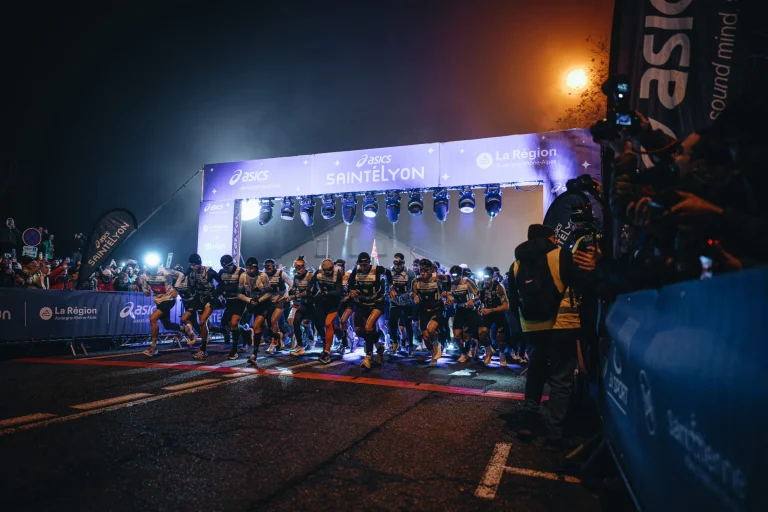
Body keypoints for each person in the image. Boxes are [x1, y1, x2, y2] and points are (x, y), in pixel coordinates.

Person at [509, 224, 598, 450]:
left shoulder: (517, 263)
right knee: (560, 380)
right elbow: (585, 286)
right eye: (554, 237)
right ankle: (554, 434)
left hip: (532, 328)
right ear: (550, 238)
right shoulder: (561, 255)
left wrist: (520, 332)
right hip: (562, 326)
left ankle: (528, 424)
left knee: (535, 375)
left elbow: (513, 301)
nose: (557, 240)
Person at [348, 252, 391, 369]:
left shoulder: (377, 269)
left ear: (369, 263)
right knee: (358, 331)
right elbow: (350, 283)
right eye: (361, 265)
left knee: (368, 327)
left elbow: (388, 273)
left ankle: (368, 357)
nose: (363, 267)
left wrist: (391, 288)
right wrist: (351, 290)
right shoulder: (356, 270)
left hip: (377, 302)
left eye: (365, 265)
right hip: (363, 303)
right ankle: (379, 346)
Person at [411, 258, 451, 366]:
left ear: (431, 269)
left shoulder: (437, 278)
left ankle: (437, 344)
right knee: (425, 337)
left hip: (437, 308)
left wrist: (448, 294)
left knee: (431, 329)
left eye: (426, 270)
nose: (423, 273)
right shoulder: (416, 281)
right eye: (421, 270)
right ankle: (433, 354)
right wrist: (415, 297)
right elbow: (413, 294)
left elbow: (448, 278)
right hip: (424, 309)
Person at [203, 254, 242, 360]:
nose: (226, 269)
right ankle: (246, 332)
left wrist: (226, 288)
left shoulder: (240, 272)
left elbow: (241, 287)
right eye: (224, 267)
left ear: (232, 264)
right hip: (229, 302)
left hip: (239, 301)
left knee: (234, 323)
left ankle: (234, 349)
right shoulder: (221, 272)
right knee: (225, 323)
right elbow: (219, 286)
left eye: (228, 266)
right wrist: (215, 294)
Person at [141, 262, 182, 357]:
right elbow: (144, 287)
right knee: (167, 325)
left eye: (153, 268)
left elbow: (181, 274)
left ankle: (153, 347)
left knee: (153, 319)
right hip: (159, 301)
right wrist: (146, 291)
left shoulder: (165, 271)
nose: (151, 271)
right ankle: (184, 329)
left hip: (169, 299)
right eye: (150, 269)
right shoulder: (145, 274)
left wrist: (176, 289)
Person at [238, 257, 272, 367]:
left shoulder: (263, 276)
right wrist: (249, 300)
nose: (249, 270)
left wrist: (259, 300)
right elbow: (239, 294)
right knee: (241, 322)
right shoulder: (243, 276)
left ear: (256, 268)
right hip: (251, 301)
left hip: (263, 302)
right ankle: (273, 336)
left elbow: (269, 292)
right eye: (248, 268)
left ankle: (254, 354)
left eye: (252, 268)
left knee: (257, 325)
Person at [186, 253, 220, 356]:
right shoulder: (190, 272)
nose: (193, 267)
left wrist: (216, 293)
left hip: (210, 298)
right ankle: (224, 331)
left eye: (195, 265)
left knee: (202, 321)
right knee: (204, 324)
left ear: (200, 264)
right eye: (191, 265)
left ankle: (203, 348)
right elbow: (188, 284)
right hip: (199, 299)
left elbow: (221, 282)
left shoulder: (209, 271)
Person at [311, 258, 343, 364]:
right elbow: (311, 283)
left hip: (334, 301)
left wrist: (327, 293)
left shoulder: (337, 273)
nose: (327, 272)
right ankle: (341, 334)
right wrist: (310, 291)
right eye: (325, 270)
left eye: (329, 269)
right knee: (320, 323)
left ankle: (327, 351)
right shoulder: (318, 272)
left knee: (328, 323)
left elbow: (338, 291)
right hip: (322, 301)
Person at [476, 266, 510, 367]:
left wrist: (491, 310)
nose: (486, 281)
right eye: (485, 278)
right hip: (487, 313)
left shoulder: (499, 287)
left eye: (488, 278)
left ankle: (502, 354)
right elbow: (479, 298)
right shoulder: (481, 284)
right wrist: (478, 306)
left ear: (493, 276)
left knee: (500, 338)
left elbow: (506, 306)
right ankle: (489, 350)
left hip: (498, 313)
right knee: (481, 334)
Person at [449, 265, 479, 363]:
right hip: (459, 311)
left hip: (470, 311)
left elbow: (478, 294)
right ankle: (464, 353)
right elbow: (450, 297)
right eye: (453, 276)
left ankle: (470, 348)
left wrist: (472, 300)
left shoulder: (467, 282)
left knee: (466, 337)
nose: (455, 278)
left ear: (461, 275)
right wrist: (449, 300)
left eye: (456, 276)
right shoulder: (451, 284)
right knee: (456, 335)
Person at [263, 259, 293, 354]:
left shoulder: (281, 273)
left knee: (274, 320)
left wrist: (289, 296)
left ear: (273, 266)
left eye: (269, 267)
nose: (267, 269)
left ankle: (273, 343)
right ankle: (285, 336)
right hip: (270, 300)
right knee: (274, 322)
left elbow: (291, 284)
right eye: (265, 267)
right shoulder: (263, 274)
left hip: (282, 298)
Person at [388, 253, 415, 356]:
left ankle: (410, 346)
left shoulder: (410, 273)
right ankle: (395, 342)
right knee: (392, 323)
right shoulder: (389, 272)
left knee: (408, 325)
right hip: (395, 301)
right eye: (395, 264)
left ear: (403, 263)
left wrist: (406, 297)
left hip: (407, 302)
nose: (397, 266)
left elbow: (413, 289)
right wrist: (389, 294)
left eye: (399, 264)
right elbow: (386, 287)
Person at [288, 256, 315, 356]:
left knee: (317, 326)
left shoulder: (310, 276)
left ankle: (317, 342)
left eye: (300, 267)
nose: (298, 270)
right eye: (296, 268)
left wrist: (296, 295)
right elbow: (294, 288)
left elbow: (309, 291)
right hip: (303, 304)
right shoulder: (296, 277)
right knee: (296, 322)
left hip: (313, 304)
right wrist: (291, 291)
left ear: (304, 266)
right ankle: (300, 347)